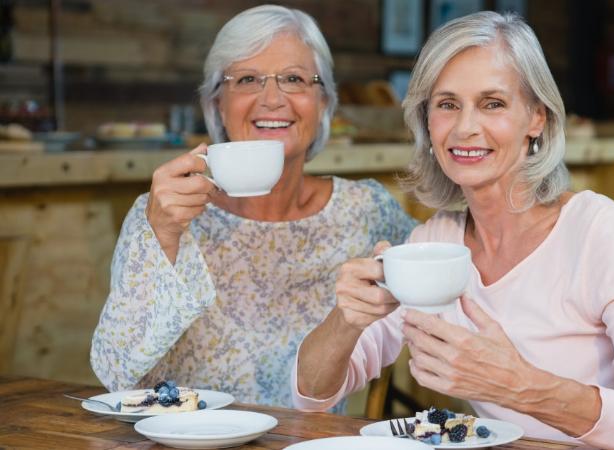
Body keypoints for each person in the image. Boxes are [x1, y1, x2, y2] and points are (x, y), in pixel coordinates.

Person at [292, 11, 614, 449]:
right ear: (427, 123)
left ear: (537, 119)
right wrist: (346, 319)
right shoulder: (434, 246)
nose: (466, 127)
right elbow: (313, 396)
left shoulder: (597, 229)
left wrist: (520, 386)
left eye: (493, 103)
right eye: (447, 104)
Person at [90, 5, 415, 408]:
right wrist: (162, 235)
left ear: (324, 104)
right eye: (247, 79)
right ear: (217, 106)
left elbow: (450, 277)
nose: (273, 99)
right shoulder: (163, 212)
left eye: (294, 79)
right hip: (182, 439)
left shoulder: (365, 209)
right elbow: (116, 374)